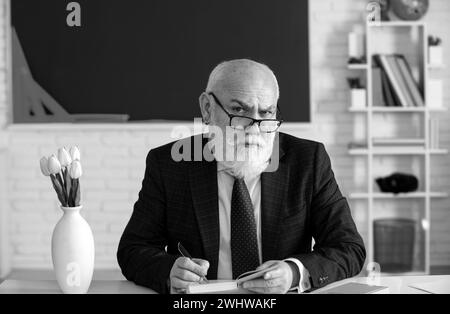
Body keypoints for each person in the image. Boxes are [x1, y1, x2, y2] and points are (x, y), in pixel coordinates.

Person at [117, 59, 366, 294]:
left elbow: (349, 249)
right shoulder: (170, 164)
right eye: (239, 110)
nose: (254, 127)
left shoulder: (309, 160)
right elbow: (133, 250)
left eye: (266, 113)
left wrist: (294, 273)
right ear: (207, 109)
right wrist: (169, 271)